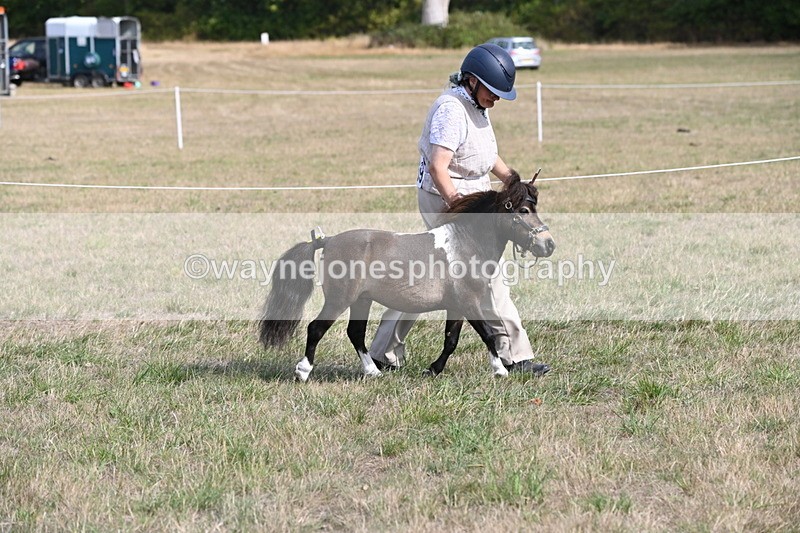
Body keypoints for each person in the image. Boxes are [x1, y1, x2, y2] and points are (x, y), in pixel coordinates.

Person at [369, 43, 550, 376]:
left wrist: (511, 179)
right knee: (453, 278)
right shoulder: (451, 109)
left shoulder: (477, 108)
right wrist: (457, 208)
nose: (496, 99)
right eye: (492, 91)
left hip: (474, 201)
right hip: (446, 199)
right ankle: (515, 358)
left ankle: (383, 352)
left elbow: (485, 155)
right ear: (471, 81)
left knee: (440, 276)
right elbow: (439, 167)